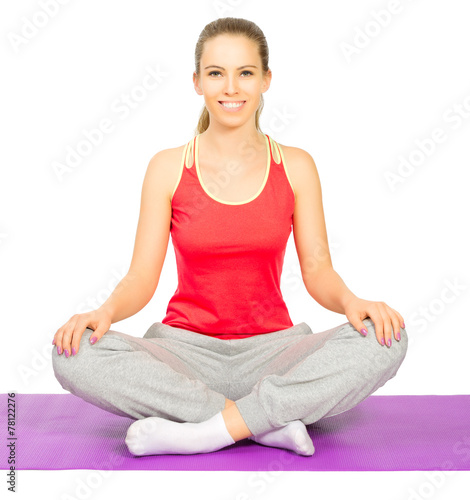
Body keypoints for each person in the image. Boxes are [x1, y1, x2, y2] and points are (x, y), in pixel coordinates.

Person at [51, 17, 408, 458]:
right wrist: (103, 312)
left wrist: (353, 303)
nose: (231, 87)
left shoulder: (296, 166)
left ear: (265, 81)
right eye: (216, 73)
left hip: (273, 353)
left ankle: (206, 430)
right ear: (197, 82)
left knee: (386, 338)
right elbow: (142, 276)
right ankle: (261, 423)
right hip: (186, 356)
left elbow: (317, 270)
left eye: (245, 73)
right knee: (72, 353)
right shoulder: (167, 167)